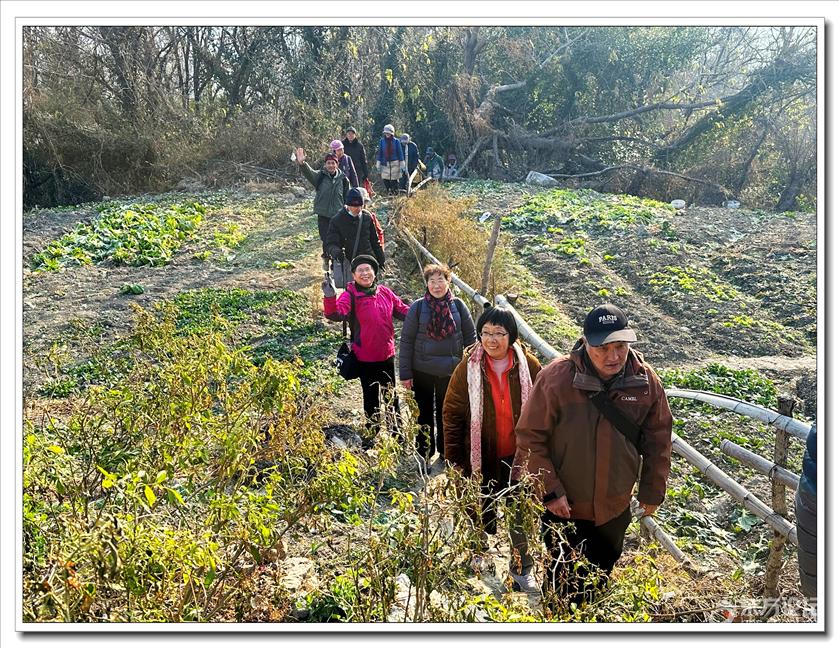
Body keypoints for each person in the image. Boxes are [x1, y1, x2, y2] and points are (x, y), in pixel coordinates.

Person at [514, 303, 673, 606]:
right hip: (565, 507)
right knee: (562, 580)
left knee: (600, 576)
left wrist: (652, 491)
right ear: (585, 342)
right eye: (603, 348)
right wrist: (550, 491)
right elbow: (530, 437)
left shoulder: (644, 382)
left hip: (615, 507)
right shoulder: (557, 378)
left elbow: (659, 440)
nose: (613, 356)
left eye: (620, 346)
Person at [443, 307, 542, 593]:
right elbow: (452, 413)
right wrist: (454, 458)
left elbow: (544, 409)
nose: (491, 339)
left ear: (512, 336)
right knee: (478, 506)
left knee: (519, 514)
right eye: (485, 333)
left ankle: (522, 569)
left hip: (519, 457)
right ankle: (479, 553)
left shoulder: (529, 366)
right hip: (480, 454)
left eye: (499, 333)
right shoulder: (468, 367)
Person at [399, 264, 476, 463]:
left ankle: (446, 452)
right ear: (426, 284)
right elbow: (406, 341)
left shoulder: (458, 306)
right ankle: (424, 453)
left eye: (440, 280)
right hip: (422, 370)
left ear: (448, 282)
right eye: (431, 281)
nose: (436, 285)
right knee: (422, 414)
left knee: (448, 413)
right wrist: (405, 374)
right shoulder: (417, 308)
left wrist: (472, 368)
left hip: (451, 371)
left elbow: (470, 338)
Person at [323, 255, 410, 428]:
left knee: (391, 396)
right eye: (360, 270)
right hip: (365, 358)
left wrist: (422, 310)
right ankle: (373, 432)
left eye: (368, 269)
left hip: (387, 355)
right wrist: (330, 297)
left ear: (374, 273)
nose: (365, 273)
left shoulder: (385, 292)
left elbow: (402, 310)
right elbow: (335, 314)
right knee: (371, 398)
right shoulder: (350, 295)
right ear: (353, 275)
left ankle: (396, 432)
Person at [294, 148, 349, 270]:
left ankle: (335, 263)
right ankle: (326, 257)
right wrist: (302, 163)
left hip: (338, 215)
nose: (331, 165)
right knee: (326, 239)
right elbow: (309, 173)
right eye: (328, 163)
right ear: (325, 164)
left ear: (337, 164)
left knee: (338, 239)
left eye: (333, 163)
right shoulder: (320, 176)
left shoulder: (343, 179)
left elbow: (348, 198)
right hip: (323, 215)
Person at [324, 188, 385, 289]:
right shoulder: (337, 220)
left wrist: (381, 259)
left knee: (370, 291)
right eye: (354, 206)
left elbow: (374, 241)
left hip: (368, 261)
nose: (358, 209)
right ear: (348, 205)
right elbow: (330, 243)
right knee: (353, 294)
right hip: (350, 265)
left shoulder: (367, 218)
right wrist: (336, 252)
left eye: (360, 205)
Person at [375, 124, 405, 195]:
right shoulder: (382, 141)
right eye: (386, 133)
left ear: (392, 133)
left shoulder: (396, 141)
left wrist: (402, 163)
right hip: (385, 163)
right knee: (385, 179)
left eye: (388, 133)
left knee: (394, 180)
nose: (387, 134)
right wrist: (378, 162)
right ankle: (388, 192)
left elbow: (400, 153)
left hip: (395, 163)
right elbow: (380, 152)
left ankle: (395, 193)